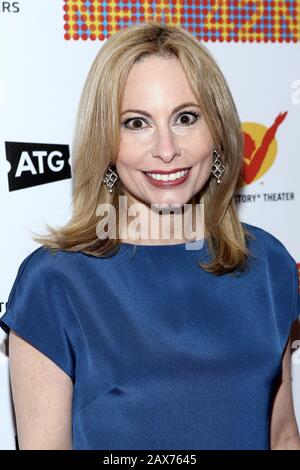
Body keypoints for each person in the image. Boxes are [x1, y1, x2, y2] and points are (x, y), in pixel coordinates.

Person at [0, 21, 299, 450]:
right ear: (106, 141)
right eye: (136, 122)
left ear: (216, 130)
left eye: (185, 118)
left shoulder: (268, 264)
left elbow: (283, 435)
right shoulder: (54, 283)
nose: (166, 148)